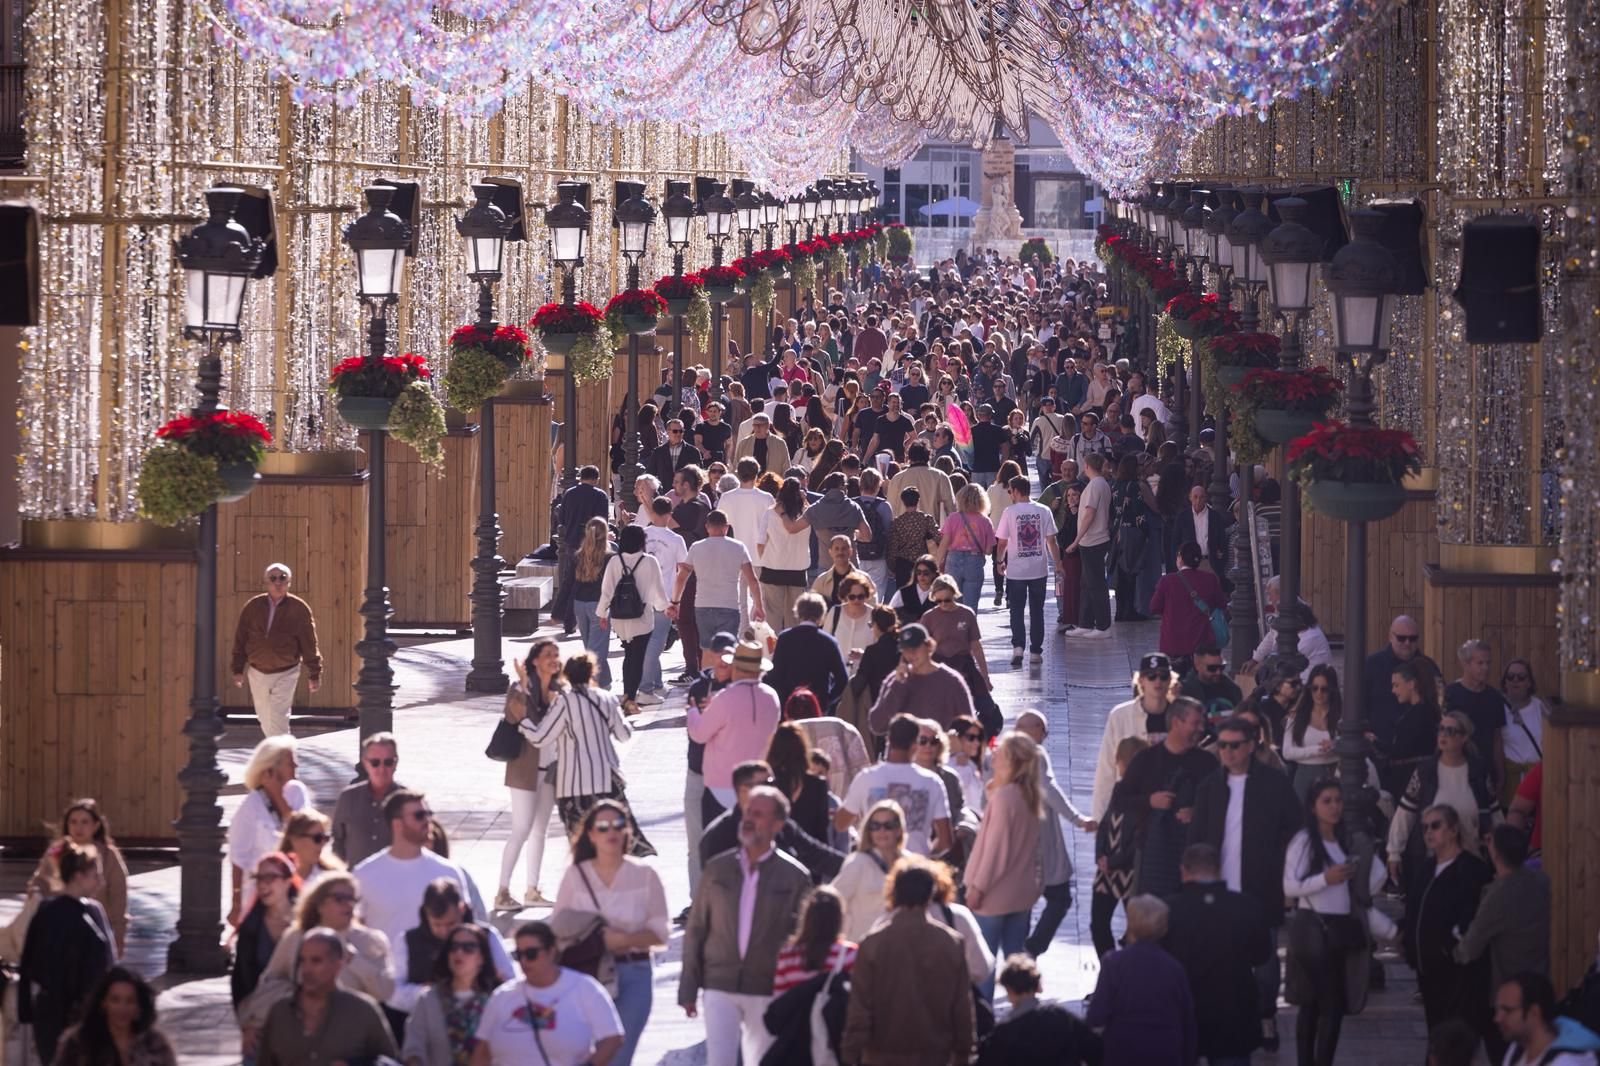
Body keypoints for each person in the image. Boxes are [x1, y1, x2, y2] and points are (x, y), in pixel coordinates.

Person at [1188, 713, 1303, 1051]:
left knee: (1265, 963)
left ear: (1251, 746)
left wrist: (1281, 866)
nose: (1227, 752)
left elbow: (1296, 828)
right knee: (1219, 960)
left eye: (1235, 746)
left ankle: (1266, 1014)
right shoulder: (1209, 787)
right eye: (1222, 746)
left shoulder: (1274, 784)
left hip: (1260, 888)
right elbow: (1196, 837)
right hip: (1218, 890)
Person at [680, 785, 812, 1066]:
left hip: (767, 986)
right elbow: (697, 928)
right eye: (748, 812)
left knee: (763, 1061)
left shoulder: (795, 877)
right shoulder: (717, 869)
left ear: (778, 824)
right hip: (719, 983)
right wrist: (688, 987)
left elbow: (802, 939)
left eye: (759, 814)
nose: (749, 819)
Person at [1283, 779, 1391, 1066]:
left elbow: (1371, 881)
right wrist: (1324, 879)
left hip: (1337, 930)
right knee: (1330, 1004)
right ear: (1313, 806)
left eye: (1338, 800)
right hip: (1313, 929)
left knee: (1313, 1004)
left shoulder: (1343, 840)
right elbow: (1289, 887)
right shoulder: (1304, 841)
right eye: (1327, 801)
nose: (1334, 807)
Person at [553, 800, 668, 1066]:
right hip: (586, 974)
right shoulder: (575, 876)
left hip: (634, 974)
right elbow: (558, 930)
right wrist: (598, 940)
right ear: (591, 834)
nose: (611, 832)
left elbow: (661, 934)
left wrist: (623, 940)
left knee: (617, 1058)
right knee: (581, 1055)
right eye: (603, 827)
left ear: (627, 830)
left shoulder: (645, 874)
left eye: (617, 824)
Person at [843, 859, 975, 1066]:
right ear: (931, 894)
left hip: (881, 1055)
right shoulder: (951, 943)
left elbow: (860, 1008)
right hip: (935, 1055)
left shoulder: (872, 944)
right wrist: (964, 1052)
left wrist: (850, 1053)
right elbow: (962, 1007)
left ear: (894, 893)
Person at [521, 652, 653, 849]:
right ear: (592, 672)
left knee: (581, 847)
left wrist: (523, 723)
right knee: (614, 844)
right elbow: (624, 735)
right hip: (607, 782)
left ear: (567, 675)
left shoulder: (563, 702)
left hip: (573, 787)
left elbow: (541, 737)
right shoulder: (607, 699)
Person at [1162, 843, 1274, 1066]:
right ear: (1219, 870)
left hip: (1184, 1012)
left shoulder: (1167, 909)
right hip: (1234, 1013)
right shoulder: (1248, 906)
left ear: (1183, 870)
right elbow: (1262, 955)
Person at [469, 920, 623, 1066]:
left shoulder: (584, 988)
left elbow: (613, 1038)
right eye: (518, 955)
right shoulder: (502, 996)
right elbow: (482, 1050)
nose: (524, 961)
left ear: (551, 951)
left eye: (531, 954)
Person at [17, 841, 116, 1063]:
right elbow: (30, 960)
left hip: (66, 1013)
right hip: (66, 1013)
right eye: (95, 875)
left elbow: (28, 962)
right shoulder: (56, 913)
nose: (101, 881)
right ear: (79, 876)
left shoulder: (88, 911)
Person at [1402, 804, 1494, 1032]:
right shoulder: (1426, 869)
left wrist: (1449, 947)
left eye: (1435, 826)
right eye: (1424, 828)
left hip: (1455, 971)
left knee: (1453, 1032)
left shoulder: (1471, 869)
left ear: (1453, 830)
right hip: (1426, 968)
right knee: (1436, 1030)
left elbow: (1473, 916)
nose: (1428, 832)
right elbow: (1414, 910)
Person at [964, 731, 1044, 985]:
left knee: (984, 966)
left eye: (1000, 752)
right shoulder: (1029, 795)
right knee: (1016, 966)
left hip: (994, 895)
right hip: (1021, 893)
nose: (994, 755)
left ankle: (984, 1010)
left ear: (1012, 761)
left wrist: (978, 887)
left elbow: (996, 848)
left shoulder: (1005, 797)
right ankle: (1023, 1006)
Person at [254, 926, 399, 1065]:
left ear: (338, 964)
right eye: (302, 960)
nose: (307, 969)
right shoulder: (280, 1012)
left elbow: (390, 1062)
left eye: (316, 961)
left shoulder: (362, 1011)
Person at [1387, 710, 1498, 892]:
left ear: (1464, 738)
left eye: (1450, 731)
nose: (1443, 735)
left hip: (1472, 865)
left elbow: (1495, 814)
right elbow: (1405, 812)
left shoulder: (1479, 771)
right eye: (1440, 729)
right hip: (1433, 863)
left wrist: (1501, 856)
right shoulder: (1425, 772)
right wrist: (1394, 852)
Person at [1013, 710, 1094, 957]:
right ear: (1031, 729)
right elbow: (1048, 789)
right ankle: (1030, 949)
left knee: (1024, 901)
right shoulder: (1035, 754)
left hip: (1015, 838)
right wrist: (1077, 818)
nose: (1045, 735)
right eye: (1042, 728)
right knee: (1059, 897)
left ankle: (1017, 952)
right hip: (1038, 838)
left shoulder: (1004, 754)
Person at [1120, 698, 1218, 900]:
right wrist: (1150, 801)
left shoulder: (1208, 763)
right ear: (1176, 722)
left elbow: (1221, 804)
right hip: (1152, 855)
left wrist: (1197, 813)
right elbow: (1120, 800)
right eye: (1195, 723)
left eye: (1202, 724)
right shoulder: (1146, 759)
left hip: (1193, 857)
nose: (1201, 729)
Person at [352, 790, 474, 951]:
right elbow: (355, 928)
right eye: (419, 816)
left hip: (435, 966)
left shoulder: (449, 871)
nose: (427, 821)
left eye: (428, 814)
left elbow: (466, 926)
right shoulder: (364, 874)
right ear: (397, 824)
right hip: (386, 965)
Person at [1085, 894, 1198, 1066]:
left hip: (1122, 1052)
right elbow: (1187, 1020)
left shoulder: (1114, 963)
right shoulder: (1174, 967)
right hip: (1165, 1054)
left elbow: (1096, 1015)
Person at [698, 758, 845, 881]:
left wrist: (853, 865)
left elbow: (816, 854)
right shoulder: (718, 836)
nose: (774, 789)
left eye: (774, 783)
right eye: (767, 784)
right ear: (743, 791)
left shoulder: (781, 825)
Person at [498, 640, 564, 910]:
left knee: (540, 831)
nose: (554, 659)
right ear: (535, 660)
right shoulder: (520, 687)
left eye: (556, 654)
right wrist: (524, 685)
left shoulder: (560, 691)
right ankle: (502, 891)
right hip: (524, 771)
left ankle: (532, 890)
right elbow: (513, 714)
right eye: (548, 654)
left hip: (549, 771)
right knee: (521, 829)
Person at [389, 878, 514, 1016]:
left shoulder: (488, 936)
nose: (444, 931)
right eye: (437, 925)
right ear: (426, 913)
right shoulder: (406, 941)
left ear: (462, 909)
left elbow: (511, 983)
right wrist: (432, 993)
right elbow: (392, 993)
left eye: (451, 923)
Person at [1454, 824, 1550, 999]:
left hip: (1511, 985)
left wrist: (1452, 954)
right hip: (1542, 976)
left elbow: (1470, 948)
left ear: (1496, 853)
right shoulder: (1542, 880)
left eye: (1490, 841)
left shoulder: (1498, 895)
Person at [839, 713, 954, 857]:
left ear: (888, 740)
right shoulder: (932, 782)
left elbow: (840, 824)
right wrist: (923, 858)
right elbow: (946, 841)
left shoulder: (866, 777)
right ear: (915, 744)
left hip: (873, 863)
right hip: (914, 866)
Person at [691, 639, 783, 816]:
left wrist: (693, 713)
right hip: (759, 785)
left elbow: (699, 734)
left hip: (722, 786)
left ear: (735, 668)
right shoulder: (772, 697)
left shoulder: (725, 697)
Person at [229, 561, 322, 736]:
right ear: (266, 582)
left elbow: (309, 642)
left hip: (286, 671)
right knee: (264, 716)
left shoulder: (299, 608)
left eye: (282, 578)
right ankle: (276, 748)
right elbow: (240, 639)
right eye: (273, 578)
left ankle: (281, 750)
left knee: (279, 716)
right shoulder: (253, 606)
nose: (278, 582)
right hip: (257, 670)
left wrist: (314, 673)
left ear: (289, 582)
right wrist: (237, 668)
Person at [229, 735, 311, 925]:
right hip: (260, 896)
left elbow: (301, 834)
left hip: (296, 890)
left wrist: (278, 796)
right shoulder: (250, 805)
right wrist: (236, 903)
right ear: (271, 768)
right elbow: (238, 858)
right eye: (290, 762)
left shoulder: (297, 792)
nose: (296, 765)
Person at [34, 798, 130, 955]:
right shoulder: (56, 852)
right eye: (73, 822)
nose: (78, 827)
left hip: (95, 928)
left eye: (84, 822)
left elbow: (119, 896)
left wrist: (119, 934)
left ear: (95, 825)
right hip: (58, 926)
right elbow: (39, 883)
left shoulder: (108, 855)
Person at [401, 921, 500, 1066]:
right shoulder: (428, 1000)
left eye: (468, 947)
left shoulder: (496, 1002)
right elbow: (413, 1048)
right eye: (454, 947)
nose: (459, 952)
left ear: (482, 957)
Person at [597, 523, 671, 715]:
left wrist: (602, 613)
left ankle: (626, 695)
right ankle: (630, 699)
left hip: (620, 618)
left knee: (628, 654)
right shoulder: (650, 561)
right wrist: (665, 608)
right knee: (637, 658)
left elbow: (606, 590)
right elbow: (658, 591)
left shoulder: (615, 561)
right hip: (642, 617)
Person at [977, 954, 1102, 1066]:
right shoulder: (1061, 1016)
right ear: (1038, 986)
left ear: (1008, 989)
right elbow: (1094, 1048)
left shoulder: (1002, 1034)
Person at [1091, 654, 1176, 819]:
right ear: (1141, 681)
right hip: (1131, 810)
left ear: (1170, 680)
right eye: (1151, 676)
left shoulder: (1181, 715)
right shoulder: (1120, 716)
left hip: (1169, 809)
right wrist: (1100, 821)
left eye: (1163, 676)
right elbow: (1106, 770)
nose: (1158, 681)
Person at [994, 474, 1062, 665]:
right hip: (1038, 569)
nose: (1010, 494)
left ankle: (1018, 648)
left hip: (1016, 571)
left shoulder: (1009, 512)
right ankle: (1035, 652)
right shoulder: (1044, 510)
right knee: (1037, 611)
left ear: (1016, 491)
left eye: (1010, 491)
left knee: (1016, 610)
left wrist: (999, 561)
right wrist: (1058, 563)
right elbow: (1051, 541)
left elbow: (1002, 543)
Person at [867, 621, 977, 737]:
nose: (911, 654)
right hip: (903, 748)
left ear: (929, 646)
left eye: (915, 648)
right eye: (906, 649)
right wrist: (898, 686)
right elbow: (877, 726)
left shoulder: (951, 681)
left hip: (939, 746)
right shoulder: (895, 680)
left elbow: (970, 727)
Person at [672, 509, 765, 644]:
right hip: (729, 606)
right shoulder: (738, 547)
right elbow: (752, 580)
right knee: (727, 649)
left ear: (707, 527)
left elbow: (681, 577)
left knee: (706, 649)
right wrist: (758, 606)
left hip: (703, 605)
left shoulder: (696, 547)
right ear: (726, 527)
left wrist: (675, 602)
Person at [52, 967, 178, 1066]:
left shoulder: (155, 1047)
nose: (122, 1008)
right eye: (115, 1000)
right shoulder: (79, 1043)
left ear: (138, 1007)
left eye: (130, 1001)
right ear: (103, 1003)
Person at [1363, 615, 1442, 770]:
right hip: (1381, 754)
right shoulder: (1372, 665)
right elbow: (1358, 703)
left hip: (1421, 757)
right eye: (1401, 638)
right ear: (1390, 637)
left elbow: (1440, 703)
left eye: (1413, 639)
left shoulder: (1428, 666)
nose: (1407, 643)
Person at [232, 852, 300, 1015]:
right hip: (262, 1012)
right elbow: (240, 980)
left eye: (270, 878)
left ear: (288, 881)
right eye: (258, 878)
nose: (262, 885)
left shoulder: (306, 922)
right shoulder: (251, 927)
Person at [831, 798, 906, 942]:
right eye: (875, 826)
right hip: (862, 948)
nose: (881, 831)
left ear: (899, 830)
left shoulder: (910, 864)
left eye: (888, 825)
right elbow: (833, 902)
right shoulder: (857, 862)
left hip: (900, 947)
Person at [332, 732, 407, 868]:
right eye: (375, 763)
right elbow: (337, 840)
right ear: (365, 763)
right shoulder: (348, 798)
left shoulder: (408, 801)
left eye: (388, 762)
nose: (382, 769)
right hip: (356, 879)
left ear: (396, 763)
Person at [1493, 972, 1600, 1066]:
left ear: (1534, 1012)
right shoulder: (1516, 1048)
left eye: (1507, 1010)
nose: (1497, 1019)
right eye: (1498, 1010)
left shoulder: (1567, 1062)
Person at [766, 591, 851, 708]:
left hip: (789, 704)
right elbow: (842, 679)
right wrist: (826, 701)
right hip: (818, 705)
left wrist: (782, 700)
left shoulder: (784, 638)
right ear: (822, 614)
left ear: (798, 612)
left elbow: (774, 676)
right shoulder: (829, 642)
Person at [552, 466, 611, 633]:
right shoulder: (600, 496)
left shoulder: (569, 493)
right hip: (592, 544)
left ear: (581, 477)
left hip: (572, 542)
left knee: (570, 580)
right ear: (596, 479)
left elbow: (562, 518)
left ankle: (565, 618)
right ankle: (580, 619)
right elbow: (602, 521)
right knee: (588, 581)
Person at [1444, 639, 1508, 793]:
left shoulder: (1494, 698)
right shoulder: (1450, 694)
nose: (1486, 668)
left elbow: (1497, 738)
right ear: (1466, 664)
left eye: (1488, 663)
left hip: (1486, 775)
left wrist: (1501, 774)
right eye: (1480, 663)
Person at [1061, 451, 1113, 637]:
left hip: (1093, 541)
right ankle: (1085, 623)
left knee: (1096, 584)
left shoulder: (1094, 486)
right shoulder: (1101, 484)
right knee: (1087, 583)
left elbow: (1089, 514)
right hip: (1092, 540)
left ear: (1087, 466)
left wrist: (1076, 540)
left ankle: (1103, 626)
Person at [770, 883, 857, 994]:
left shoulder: (787, 955)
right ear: (839, 918)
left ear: (807, 916)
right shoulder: (850, 954)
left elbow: (779, 996)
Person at [1150, 542, 1227, 665]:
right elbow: (1221, 604)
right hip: (1202, 643)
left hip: (1173, 644)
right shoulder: (1210, 579)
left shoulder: (1167, 581)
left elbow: (1154, 607)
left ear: (1180, 558)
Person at [1382, 659, 1444, 798]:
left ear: (1411, 684)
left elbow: (1401, 751)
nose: (1393, 690)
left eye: (1396, 685)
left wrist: (1374, 743)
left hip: (1412, 782)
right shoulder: (1419, 711)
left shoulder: (1421, 714)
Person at [569, 516, 617, 689]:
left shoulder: (579, 555)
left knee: (591, 645)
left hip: (580, 603)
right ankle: (590, 684)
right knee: (596, 649)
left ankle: (604, 681)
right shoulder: (610, 557)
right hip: (599, 605)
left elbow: (569, 582)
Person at [1284, 665, 1343, 800]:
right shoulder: (1297, 716)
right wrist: (1319, 749)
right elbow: (1287, 752)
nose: (1319, 693)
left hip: (1334, 773)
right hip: (1305, 775)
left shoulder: (1341, 716)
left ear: (1332, 690)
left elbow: (1350, 744)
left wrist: (1335, 745)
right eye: (1314, 688)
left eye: (1324, 689)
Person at [935, 481, 996, 607]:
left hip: (953, 560)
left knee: (952, 604)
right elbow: (989, 550)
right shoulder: (985, 521)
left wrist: (936, 563)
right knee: (970, 605)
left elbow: (944, 544)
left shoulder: (952, 518)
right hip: (974, 562)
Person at [1500, 658, 1547, 807]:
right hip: (1509, 780)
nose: (1515, 680)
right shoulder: (1498, 708)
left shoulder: (1540, 707)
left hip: (1536, 778)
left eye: (1521, 677)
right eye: (1510, 676)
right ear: (1505, 682)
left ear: (1529, 683)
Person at [887, 439, 957, 522]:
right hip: (933, 528)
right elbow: (951, 508)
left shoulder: (897, 479)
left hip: (904, 528)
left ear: (909, 456)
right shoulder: (940, 476)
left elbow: (890, 510)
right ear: (929, 456)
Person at [1179, 644, 1244, 727]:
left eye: (1221, 667)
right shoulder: (1185, 692)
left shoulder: (1233, 689)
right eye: (1212, 668)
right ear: (1197, 665)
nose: (1218, 672)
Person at [1174, 484, 1230, 576]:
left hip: (1210, 563)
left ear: (1206, 498)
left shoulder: (1215, 517)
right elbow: (1176, 542)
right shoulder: (1182, 517)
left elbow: (1222, 542)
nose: (1198, 500)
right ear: (1190, 498)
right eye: (1195, 497)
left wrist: (1220, 563)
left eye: (1201, 497)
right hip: (1189, 564)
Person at [278, 808, 343, 888]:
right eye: (317, 838)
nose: (322, 844)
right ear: (295, 839)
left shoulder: (333, 878)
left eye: (326, 838)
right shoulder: (273, 874)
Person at [887, 550, 939, 623]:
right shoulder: (903, 593)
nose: (922, 576)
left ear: (934, 574)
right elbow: (889, 614)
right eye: (918, 572)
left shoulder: (939, 594)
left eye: (926, 573)